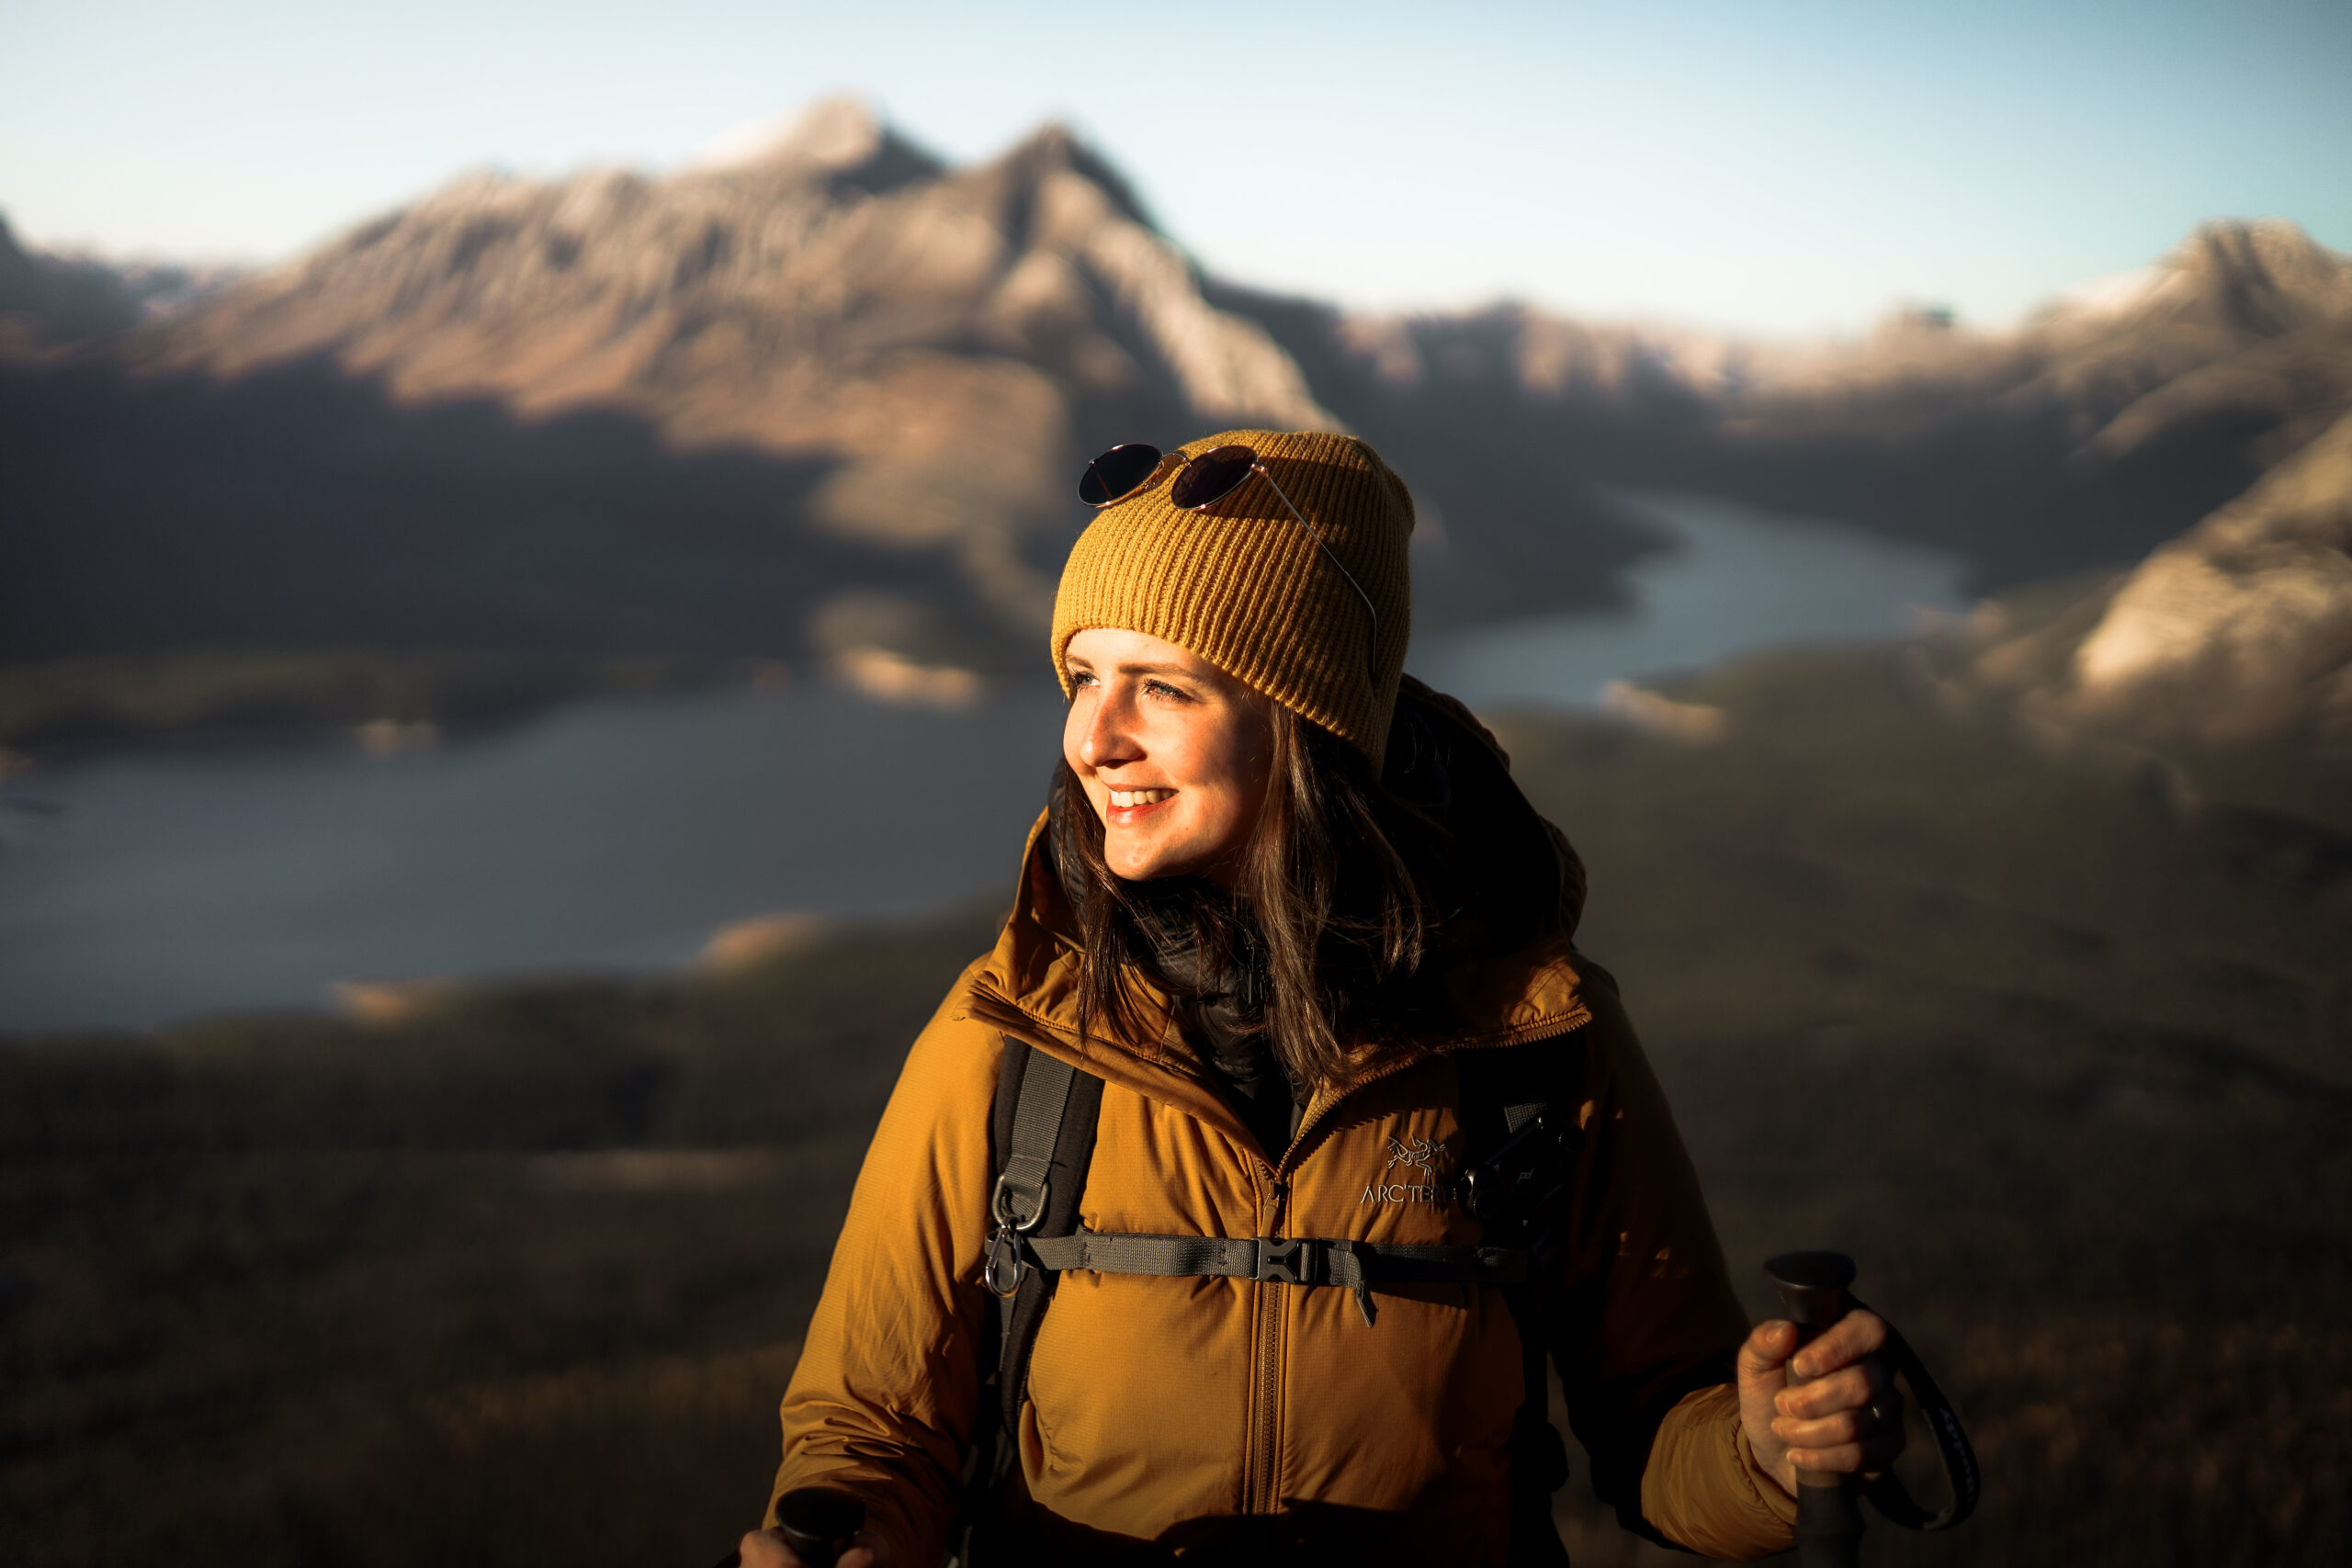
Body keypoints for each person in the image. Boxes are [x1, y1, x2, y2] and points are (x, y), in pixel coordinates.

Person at [740, 430, 1902, 1567]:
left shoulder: (1530, 1038)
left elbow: (1661, 1436)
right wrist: (848, 1539)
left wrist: (1763, 1451)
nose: (1094, 739)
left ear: (1305, 718)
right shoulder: (1018, 1031)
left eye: (1163, 689)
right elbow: (871, 1434)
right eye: (1086, 678)